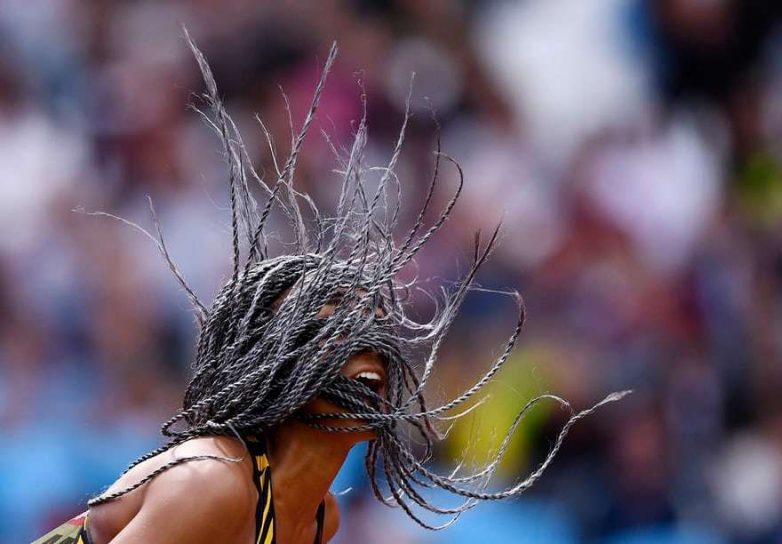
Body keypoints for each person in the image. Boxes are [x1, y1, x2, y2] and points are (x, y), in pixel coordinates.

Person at [33, 32, 626, 544]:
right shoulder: (211, 479)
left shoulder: (320, 516)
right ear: (274, 364)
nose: (365, 355)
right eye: (335, 334)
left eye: (371, 335)